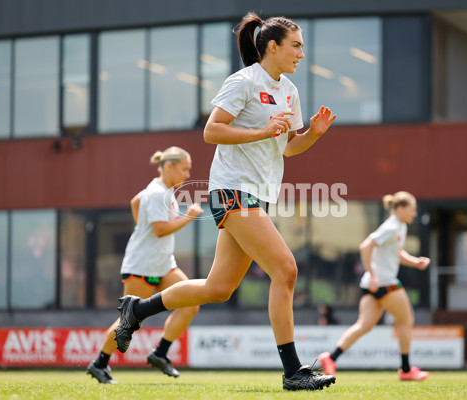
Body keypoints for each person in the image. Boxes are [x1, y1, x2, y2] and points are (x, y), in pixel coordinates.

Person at [113, 12, 337, 391]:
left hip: (258, 196)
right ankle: (293, 371)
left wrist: (312, 134)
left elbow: (287, 148)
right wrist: (262, 129)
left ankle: (137, 309)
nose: (301, 53)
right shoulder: (244, 80)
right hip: (233, 190)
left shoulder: (290, 92)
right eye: (296, 45)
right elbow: (211, 131)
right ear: (272, 46)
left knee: (219, 288)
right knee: (286, 270)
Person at [87, 146, 203, 384]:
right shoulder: (156, 193)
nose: (188, 175)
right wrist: (188, 215)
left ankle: (160, 353)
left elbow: (134, 202)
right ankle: (99, 364)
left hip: (163, 263)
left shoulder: (162, 191)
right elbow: (160, 230)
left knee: (192, 303)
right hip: (141, 265)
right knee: (129, 320)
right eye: (184, 169)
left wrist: (141, 227)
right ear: (168, 167)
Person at [318, 191, 431, 381]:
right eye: (412, 210)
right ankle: (405, 370)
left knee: (364, 325)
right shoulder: (392, 226)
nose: (415, 214)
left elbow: (397, 253)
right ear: (400, 208)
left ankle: (331, 357)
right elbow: (365, 246)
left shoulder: (400, 226)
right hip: (384, 283)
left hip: (375, 284)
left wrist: (416, 262)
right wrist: (372, 274)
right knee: (406, 320)